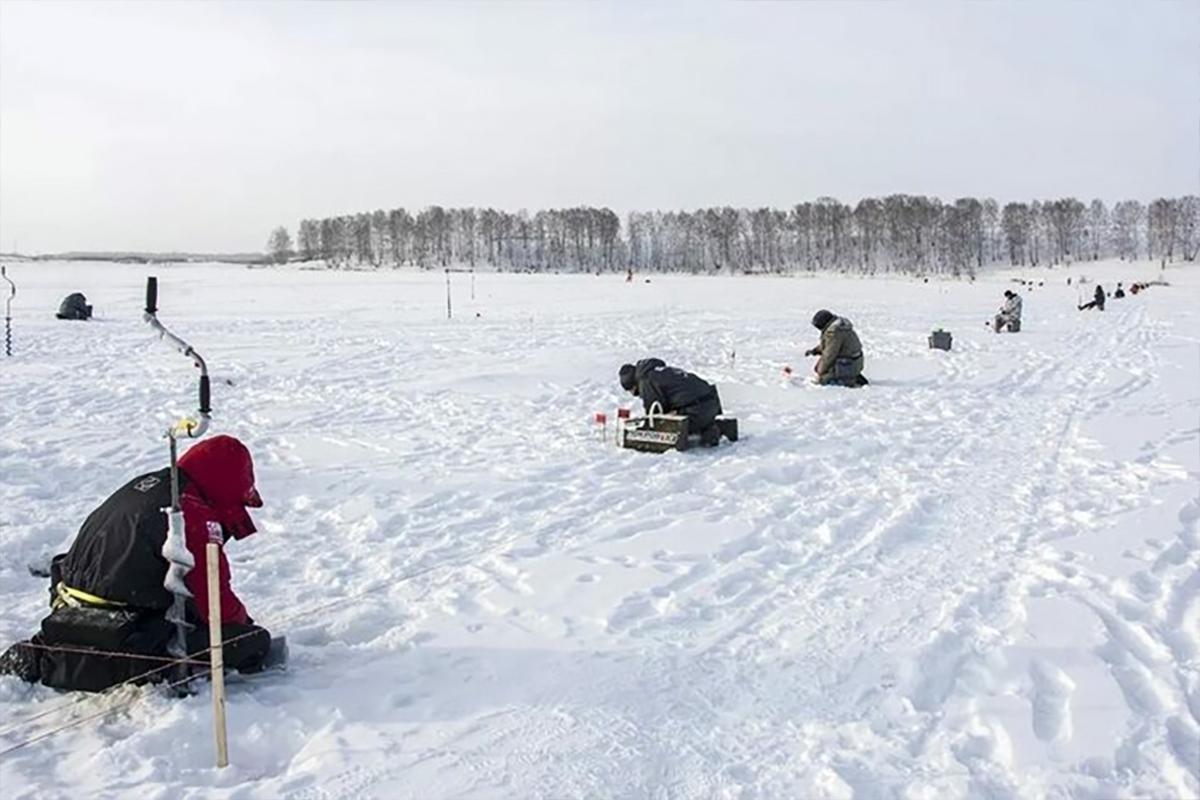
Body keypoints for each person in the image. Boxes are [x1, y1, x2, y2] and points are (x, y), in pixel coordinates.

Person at [0, 435, 272, 692]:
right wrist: (243, 626)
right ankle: (90, 664)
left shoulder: (152, 484)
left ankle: (52, 648)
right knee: (249, 642)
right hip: (127, 622)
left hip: (70, 598)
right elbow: (214, 600)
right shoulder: (190, 512)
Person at [619, 359, 724, 446]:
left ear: (632, 384)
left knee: (667, 426)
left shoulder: (646, 380)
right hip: (711, 402)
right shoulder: (656, 371)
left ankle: (705, 430)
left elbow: (655, 414)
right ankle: (707, 427)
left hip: (697, 410)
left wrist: (643, 430)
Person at [805, 309, 868, 387]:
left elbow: (829, 355)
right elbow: (828, 345)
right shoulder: (839, 328)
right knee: (822, 368)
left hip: (848, 364)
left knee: (824, 380)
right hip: (855, 362)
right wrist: (815, 351)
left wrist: (820, 372)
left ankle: (848, 380)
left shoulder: (834, 333)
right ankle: (851, 375)